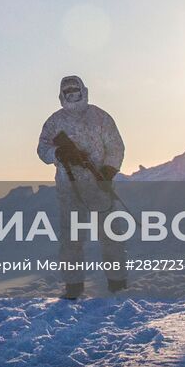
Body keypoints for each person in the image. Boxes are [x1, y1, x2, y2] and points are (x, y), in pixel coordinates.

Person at [36, 75, 126, 299]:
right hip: (69, 188)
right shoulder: (54, 122)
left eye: (76, 91)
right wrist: (58, 153)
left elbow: (116, 146)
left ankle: (118, 283)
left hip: (98, 185)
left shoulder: (100, 117)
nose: (72, 95)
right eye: (68, 92)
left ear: (83, 91)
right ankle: (73, 287)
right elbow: (42, 149)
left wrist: (108, 170)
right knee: (71, 238)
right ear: (61, 95)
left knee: (111, 234)